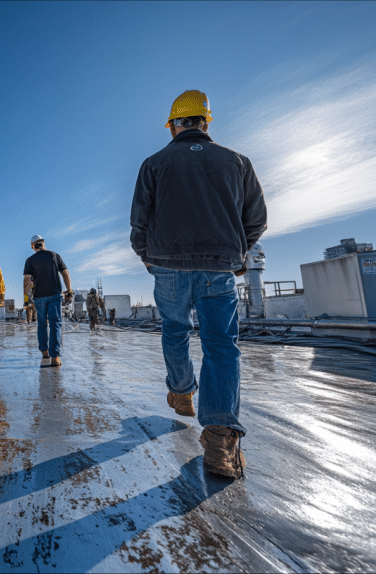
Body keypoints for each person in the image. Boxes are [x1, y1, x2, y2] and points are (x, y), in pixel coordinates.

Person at [130, 90, 267, 478]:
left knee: (174, 330)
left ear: (174, 125)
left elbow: (139, 222)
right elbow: (256, 218)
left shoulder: (154, 163)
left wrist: (149, 257)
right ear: (205, 123)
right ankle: (221, 441)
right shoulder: (237, 162)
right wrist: (238, 254)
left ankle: (181, 390)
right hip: (218, 267)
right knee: (221, 345)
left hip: (169, 266)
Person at [23, 234, 73, 367]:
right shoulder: (54, 256)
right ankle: (55, 357)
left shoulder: (30, 260)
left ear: (33, 246)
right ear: (43, 243)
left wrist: (26, 299)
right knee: (55, 324)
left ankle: (45, 351)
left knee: (42, 324)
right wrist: (69, 290)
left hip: (39, 297)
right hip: (55, 295)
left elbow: (27, 280)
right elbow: (65, 274)